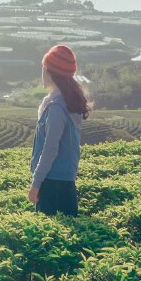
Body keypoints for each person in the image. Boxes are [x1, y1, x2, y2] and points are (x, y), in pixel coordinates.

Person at [28, 44, 92, 216]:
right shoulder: (68, 102)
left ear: (50, 72)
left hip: (51, 183)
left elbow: (50, 149)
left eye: (44, 67)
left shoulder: (56, 107)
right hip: (66, 181)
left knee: (48, 237)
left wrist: (36, 183)